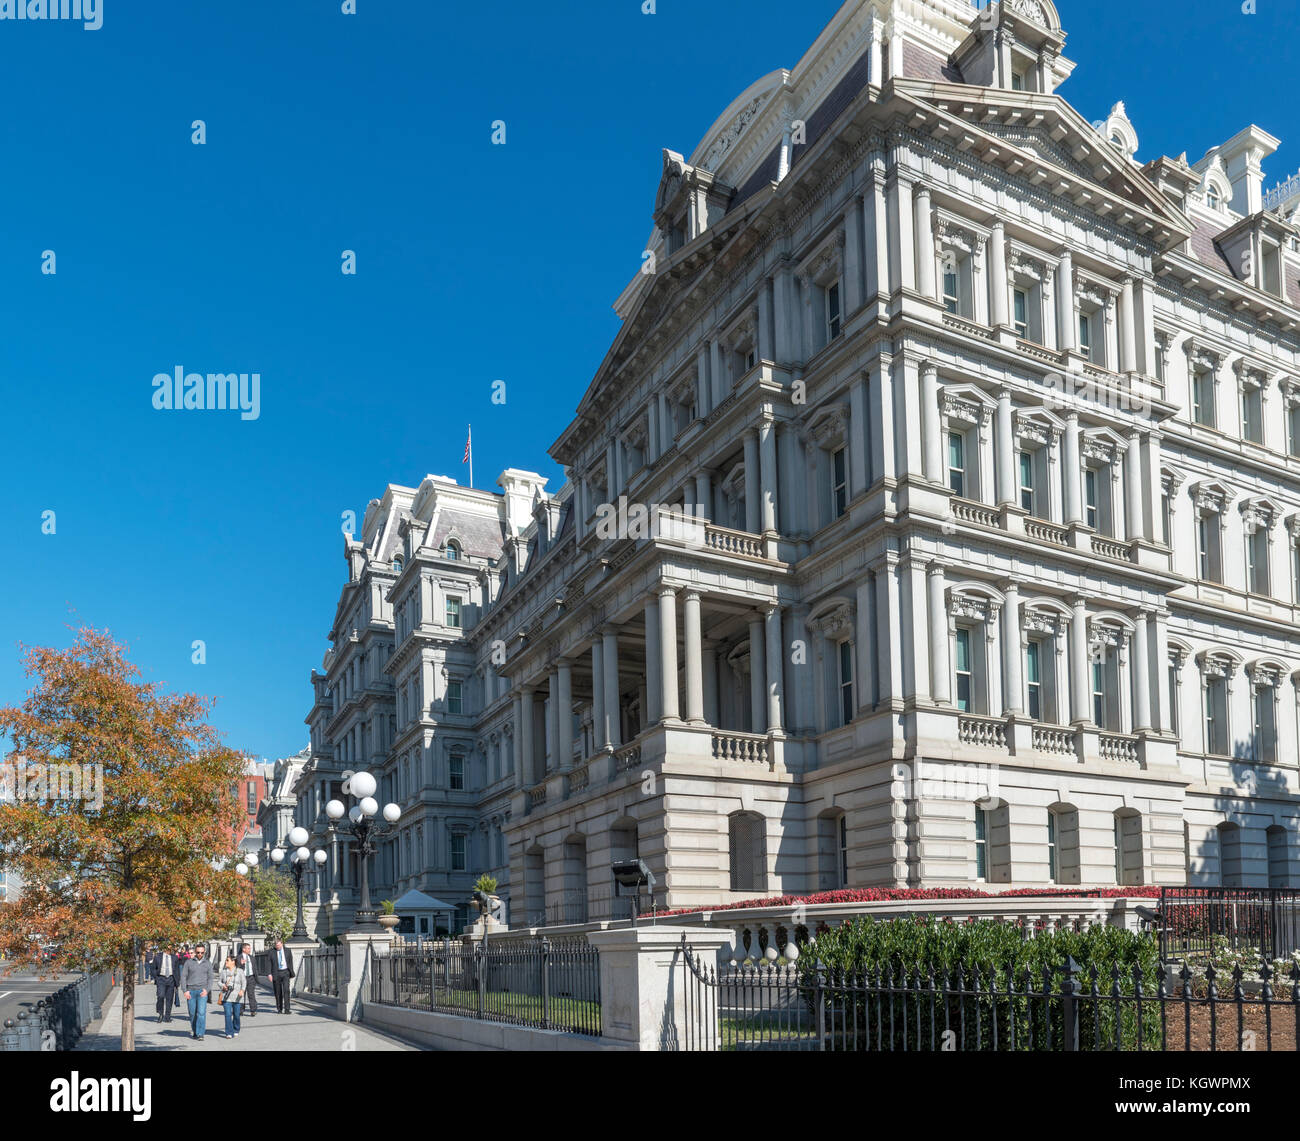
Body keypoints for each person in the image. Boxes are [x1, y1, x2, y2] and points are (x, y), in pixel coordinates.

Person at [179, 944, 212, 1040]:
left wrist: (207, 990)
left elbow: (210, 978)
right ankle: (195, 1031)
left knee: (201, 1013)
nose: (200, 954)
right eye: (198, 952)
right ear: (195, 952)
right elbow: (183, 977)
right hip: (191, 991)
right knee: (192, 1014)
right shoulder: (188, 963)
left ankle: (200, 1033)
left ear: (204, 952)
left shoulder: (207, 963)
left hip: (202, 991)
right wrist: (185, 991)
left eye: (202, 952)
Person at [218, 953, 246, 1039]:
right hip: (226, 997)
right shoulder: (223, 972)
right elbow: (219, 982)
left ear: (233, 962)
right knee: (227, 1014)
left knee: (237, 1015)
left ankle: (236, 1029)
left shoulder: (240, 971)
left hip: (237, 997)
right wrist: (223, 986)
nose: (225, 962)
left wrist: (242, 990)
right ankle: (229, 1032)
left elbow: (244, 982)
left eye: (227, 960)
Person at [152, 946, 178, 1022]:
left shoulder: (174, 957)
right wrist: (156, 977)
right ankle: (160, 1013)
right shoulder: (158, 956)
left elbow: (176, 970)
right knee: (160, 996)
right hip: (161, 979)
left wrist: (177, 982)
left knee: (169, 999)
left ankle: (167, 1016)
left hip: (171, 979)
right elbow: (153, 968)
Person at [268, 939, 295, 1014]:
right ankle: (279, 1008)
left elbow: (290, 962)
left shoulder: (288, 951)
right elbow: (269, 963)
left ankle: (287, 1009)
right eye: (276, 946)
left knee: (286, 990)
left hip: (285, 972)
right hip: (276, 973)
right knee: (278, 991)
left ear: (282, 944)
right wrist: (269, 974)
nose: (278, 947)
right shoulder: (271, 952)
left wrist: (291, 972)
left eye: (279, 945)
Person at [236, 942, 258, 1017]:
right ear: (243, 949)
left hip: (251, 978)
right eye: (248, 948)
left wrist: (255, 979)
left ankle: (253, 1010)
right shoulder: (238, 957)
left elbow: (254, 968)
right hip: (242, 978)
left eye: (250, 948)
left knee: (251, 994)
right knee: (242, 995)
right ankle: (240, 1010)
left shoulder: (251, 957)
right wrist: (241, 964)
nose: (249, 950)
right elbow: (236, 969)